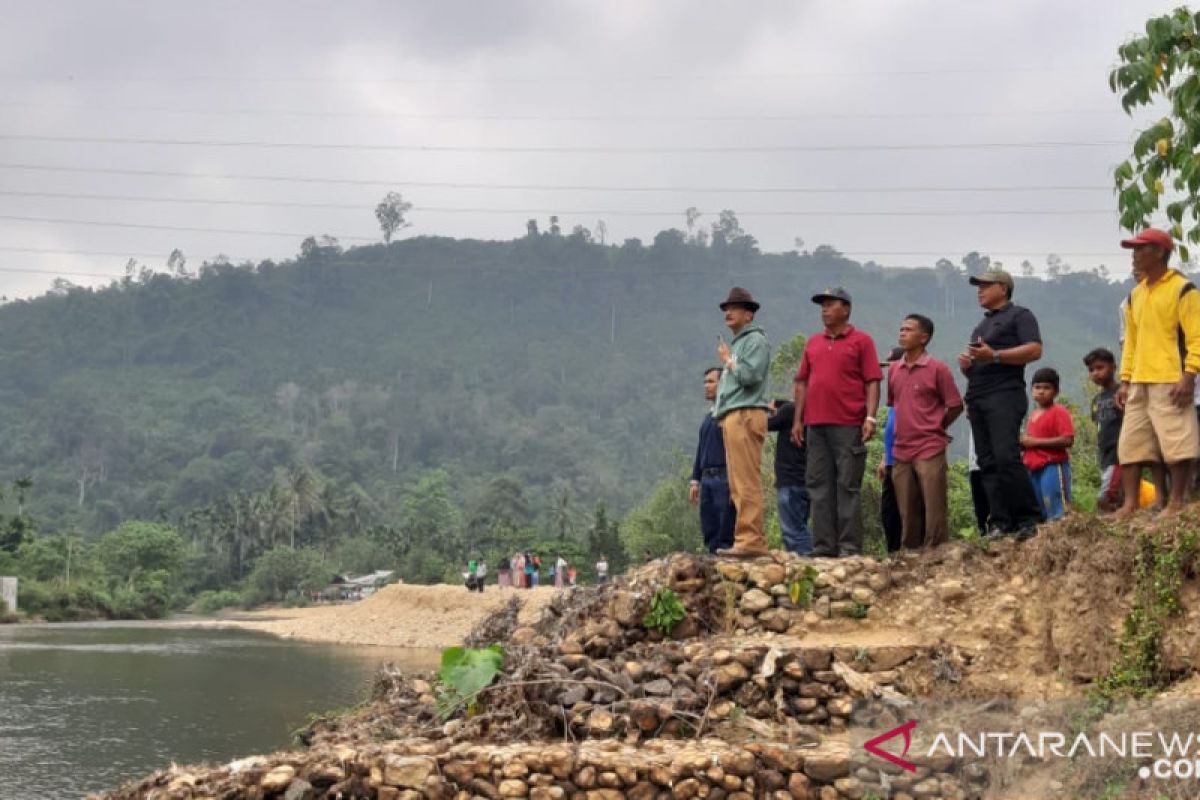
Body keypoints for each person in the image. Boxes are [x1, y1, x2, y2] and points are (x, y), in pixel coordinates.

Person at [792, 286, 882, 558]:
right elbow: (802, 382)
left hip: (848, 424)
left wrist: (870, 416)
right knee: (818, 486)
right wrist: (798, 421)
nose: (824, 309)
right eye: (823, 305)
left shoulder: (862, 341)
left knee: (847, 485)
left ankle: (849, 547)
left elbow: (873, 381)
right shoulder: (813, 343)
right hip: (815, 425)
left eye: (830, 304)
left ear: (846, 308)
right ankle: (823, 548)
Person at [1115, 228, 1200, 516]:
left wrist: (1189, 375)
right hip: (1139, 378)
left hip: (1170, 376)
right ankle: (1129, 504)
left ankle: (1176, 502)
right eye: (1134, 249)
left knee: (1177, 441)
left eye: (1141, 249)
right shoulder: (1134, 296)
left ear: (1160, 252)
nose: (1135, 254)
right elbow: (1131, 343)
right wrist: (1125, 381)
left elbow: (1196, 337)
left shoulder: (1183, 289)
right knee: (1131, 443)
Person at [958, 269, 1044, 539]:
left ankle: (1029, 517)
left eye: (985, 285)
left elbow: (1034, 349)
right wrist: (968, 366)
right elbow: (980, 366)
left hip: (1004, 395)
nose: (979, 290)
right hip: (979, 397)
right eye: (977, 286)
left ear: (1003, 288)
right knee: (987, 461)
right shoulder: (981, 325)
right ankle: (1000, 522)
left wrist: (993, 355)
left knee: (1006, 455)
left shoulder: (1020, 315)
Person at [888, 314, 963, 549]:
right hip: (901, 449)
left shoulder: (937, 369)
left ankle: (936, 556)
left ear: (924, 337)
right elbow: (894, 406)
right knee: (907, 511)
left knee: (934, 507)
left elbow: (956, 404)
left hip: (930, 447)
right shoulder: (894, 370)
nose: (902, 333)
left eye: (908, 329)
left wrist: (937, 427)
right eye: (901, 329)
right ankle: (910, 556)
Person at [713, 287, 772, 557]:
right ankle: (744, 538)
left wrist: (727, 362)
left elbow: (751, 376)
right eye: (726, 308)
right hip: (733, 414)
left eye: (734, 308)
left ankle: (752, 540)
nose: (728, 312)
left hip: (746, 413)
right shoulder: (738, 343)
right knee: (737, 481)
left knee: (746, 479)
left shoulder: (755, 341)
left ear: (749, 315)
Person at [689, 367, 737, 553]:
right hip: (707, 478)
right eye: (705, 382)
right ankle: (712, 563)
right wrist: (695, 480)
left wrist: (735, 481)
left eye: (711, 381)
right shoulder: (708, 418)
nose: (706, 386)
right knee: (709, 525)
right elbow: (701, 449)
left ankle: (726, 566)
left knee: (725, 525)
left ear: (722, 384)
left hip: (724, 476)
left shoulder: (729, 415)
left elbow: (735, 450)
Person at [1021, 368, 1075, 521]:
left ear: (1056, 392)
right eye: (1037, 387)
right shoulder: (1033, 415)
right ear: (1032, 390)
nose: (1041, 391)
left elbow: (1067, 440)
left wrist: (1034, 442)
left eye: (1047, 388)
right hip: (1034, 467)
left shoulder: (1059, 412)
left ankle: (1062, 539)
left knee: (1058, 508)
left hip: (1053, 465)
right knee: (1041, 508)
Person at [767, 397, 811, 555]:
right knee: (800, 525)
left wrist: (768, 409)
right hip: (806, 479)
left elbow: (766, 424)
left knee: (793, 531)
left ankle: (806, 565)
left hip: (789, 479)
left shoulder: (789, 410)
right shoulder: (813, 412)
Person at [1086, 348, 1125, 512]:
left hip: (1119, 455)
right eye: (1091, 370)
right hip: (1105, 455)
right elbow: (1099, 426)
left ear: (1113, 367)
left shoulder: (1121, 392)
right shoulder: (1096, 400)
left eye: (1100, 367)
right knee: (1117, 495)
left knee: (1106, 498)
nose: (1095, 373)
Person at [876, 347, 905, 553]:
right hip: (891, 461)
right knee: (889, 512)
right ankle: (893, 554)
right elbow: (891, 430)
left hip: (906, 460)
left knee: (907, 511)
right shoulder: (893, 398)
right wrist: (885, 457)